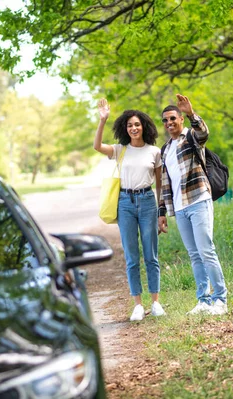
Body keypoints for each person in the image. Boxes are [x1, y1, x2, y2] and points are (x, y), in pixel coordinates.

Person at [93, 98, 165, 321]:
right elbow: (97, 146)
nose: (134, 128)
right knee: (132, 257)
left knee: (151, 255)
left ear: (144, 126)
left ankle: (155, 303)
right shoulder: (119, 150)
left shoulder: (154, 152)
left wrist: (162, 212)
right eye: (129, 125)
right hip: (125, 203)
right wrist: (102, 120)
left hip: (147, 202)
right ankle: (137, 304)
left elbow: (160, 184)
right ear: (125, 128)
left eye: (137, 124)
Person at [157, 94, 228, 315]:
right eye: (165, 120)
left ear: (180, 119)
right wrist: (162, 212)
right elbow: (165, 184)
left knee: (206, 251)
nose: (169, 123)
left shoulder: (190, 138)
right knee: (194, 254)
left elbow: (203, 132)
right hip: (179, 208)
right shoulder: (165, 149)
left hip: (198, 200)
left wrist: (191, 113)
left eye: (173, 119)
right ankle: (203, 300)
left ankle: (220, 300)